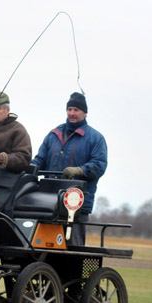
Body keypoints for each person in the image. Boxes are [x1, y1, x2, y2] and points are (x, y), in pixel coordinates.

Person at [31, 92, 108, 245]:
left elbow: (100, 165)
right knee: (44, 246)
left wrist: (79, 170)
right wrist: (30, 168)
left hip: (76, 204)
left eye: (76, 110)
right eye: (70, 109)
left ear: (85, 113)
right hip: (48, 202)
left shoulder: (95, 138)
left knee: (73, 248)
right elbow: (40, 159)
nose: (72, 113)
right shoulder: (53, 134)